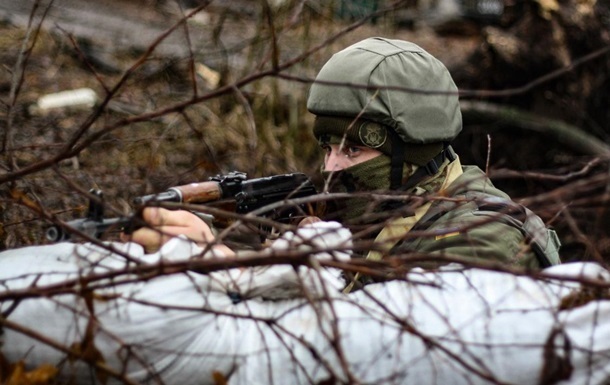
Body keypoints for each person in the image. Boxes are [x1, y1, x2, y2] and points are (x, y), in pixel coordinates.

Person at [125, 37, 561, 278]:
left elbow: (382, 348)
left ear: (411, 151)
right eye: (328, 146)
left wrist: (232, 270)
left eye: (353, 148)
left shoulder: (485, 239)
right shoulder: (388, 205)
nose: (331, 166)